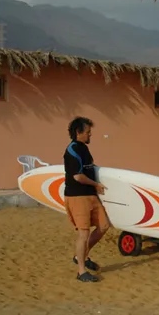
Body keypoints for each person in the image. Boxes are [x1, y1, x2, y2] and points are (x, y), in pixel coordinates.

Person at [63, 117, 110, 283]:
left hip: (90, 194)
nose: (90, 135)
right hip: (77, 196)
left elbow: (89, 168)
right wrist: (96, 184)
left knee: (104, 225)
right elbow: (77, 176)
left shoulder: (84, 148)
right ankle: (81, 271)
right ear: (78, 132)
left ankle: (80, 256)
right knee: (84, 233)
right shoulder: (72, 150)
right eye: (88, 132)